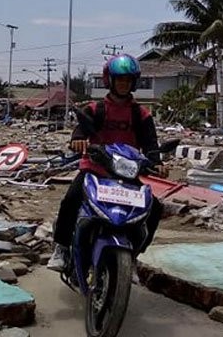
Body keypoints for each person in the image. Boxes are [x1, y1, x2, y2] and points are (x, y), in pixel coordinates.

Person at [47, 53, 165, 272]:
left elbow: (151, 145)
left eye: (127, 80)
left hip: (126, 175)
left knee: (155, 208)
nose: (123, 83)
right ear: (109, 80)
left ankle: (134, 256)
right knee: (71, 199)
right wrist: (78, 141)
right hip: (95, 170)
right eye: (119, 79)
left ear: (134, 82)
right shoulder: (95, 109)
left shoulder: (142, 115)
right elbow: (80, 130)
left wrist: (157, 162)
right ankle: (61, 247)